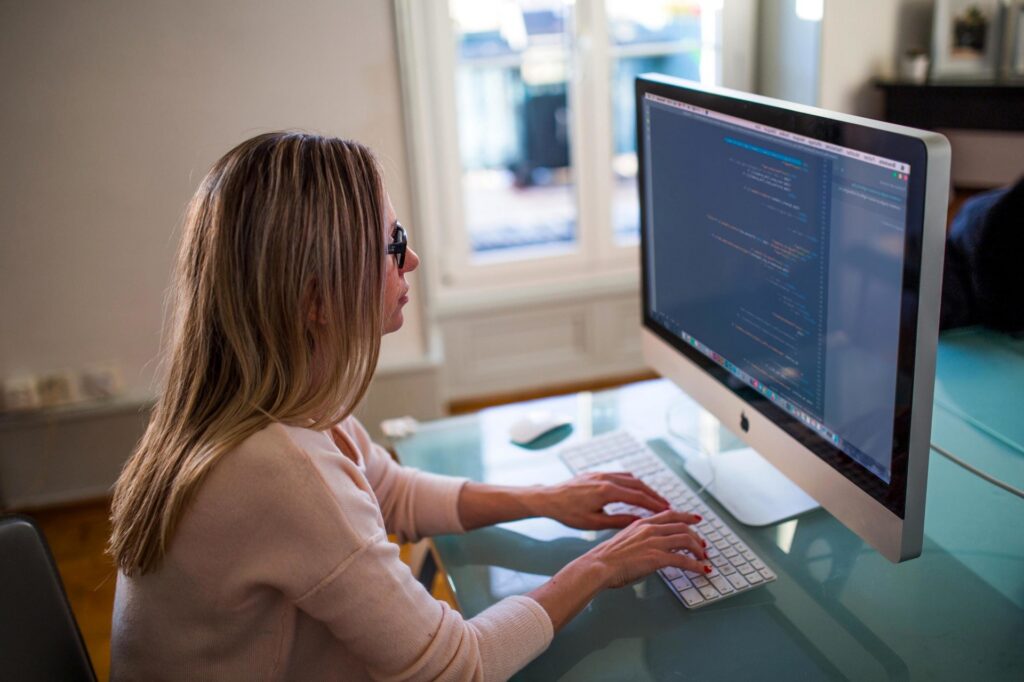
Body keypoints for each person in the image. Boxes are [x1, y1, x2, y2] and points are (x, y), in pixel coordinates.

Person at [108, 132, 711, 681]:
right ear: (317, 299)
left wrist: (544, 501)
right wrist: (602, 566)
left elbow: (390, 493)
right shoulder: (274, 468)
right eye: (393, 245)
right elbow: (458, 667)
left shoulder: (264, 397)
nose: (412, 260)